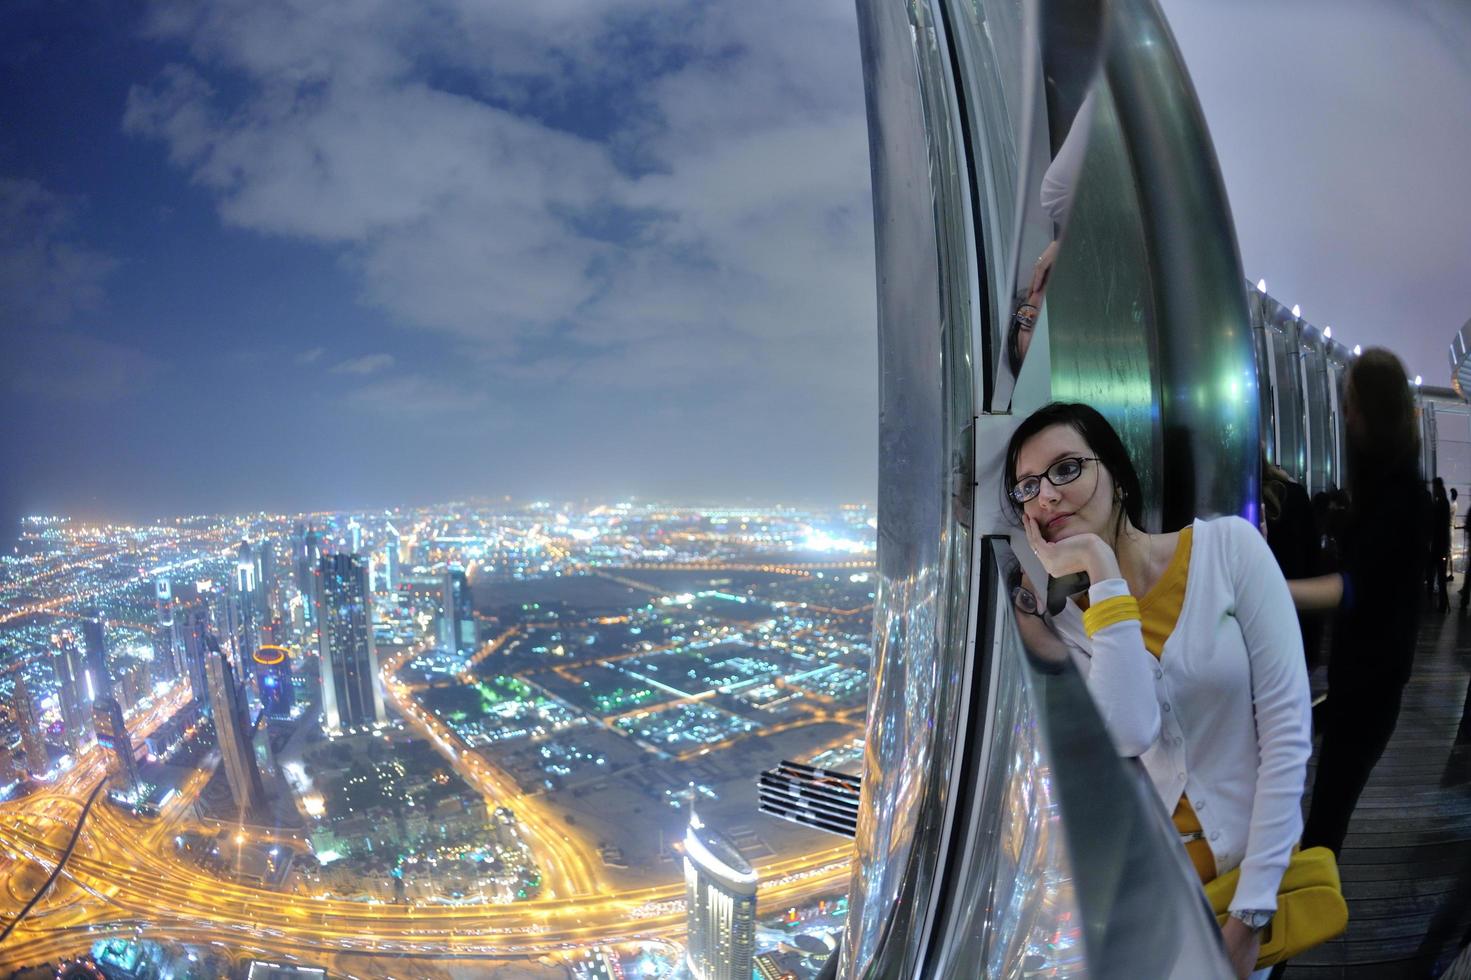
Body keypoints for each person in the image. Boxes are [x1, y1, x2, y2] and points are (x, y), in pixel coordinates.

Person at [1005, 402, 1311, 980]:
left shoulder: (1230, 551)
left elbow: (1288, 735)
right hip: (1147, 902)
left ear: (1117, 476)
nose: (1046, 495)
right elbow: (1129, 730)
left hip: (1245, 886)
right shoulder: (1070, 622)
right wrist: (1100, 569)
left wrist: (1250, 914)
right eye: (1028, 486)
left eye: (1067, 469)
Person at [1287, 348, 1429, 856]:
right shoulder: (1389, 490)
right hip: (1360, 683)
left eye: (1351, 404)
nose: (1344, 415)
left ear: (1373, 411)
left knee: (1326, 823)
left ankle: (1304, 914)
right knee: (1324, 813)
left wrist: (1268, 590)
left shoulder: (1401, 497)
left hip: (1370, 689)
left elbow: (1352, 587)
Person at [1432, 478, 1451, 612]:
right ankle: (1443, 604)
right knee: (1441, 575)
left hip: (1439, 545)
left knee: (1440, 576)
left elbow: (1437, 525)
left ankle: (1443, 604)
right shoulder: (1444, 502)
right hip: (1442, 544)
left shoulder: (1441, 504)